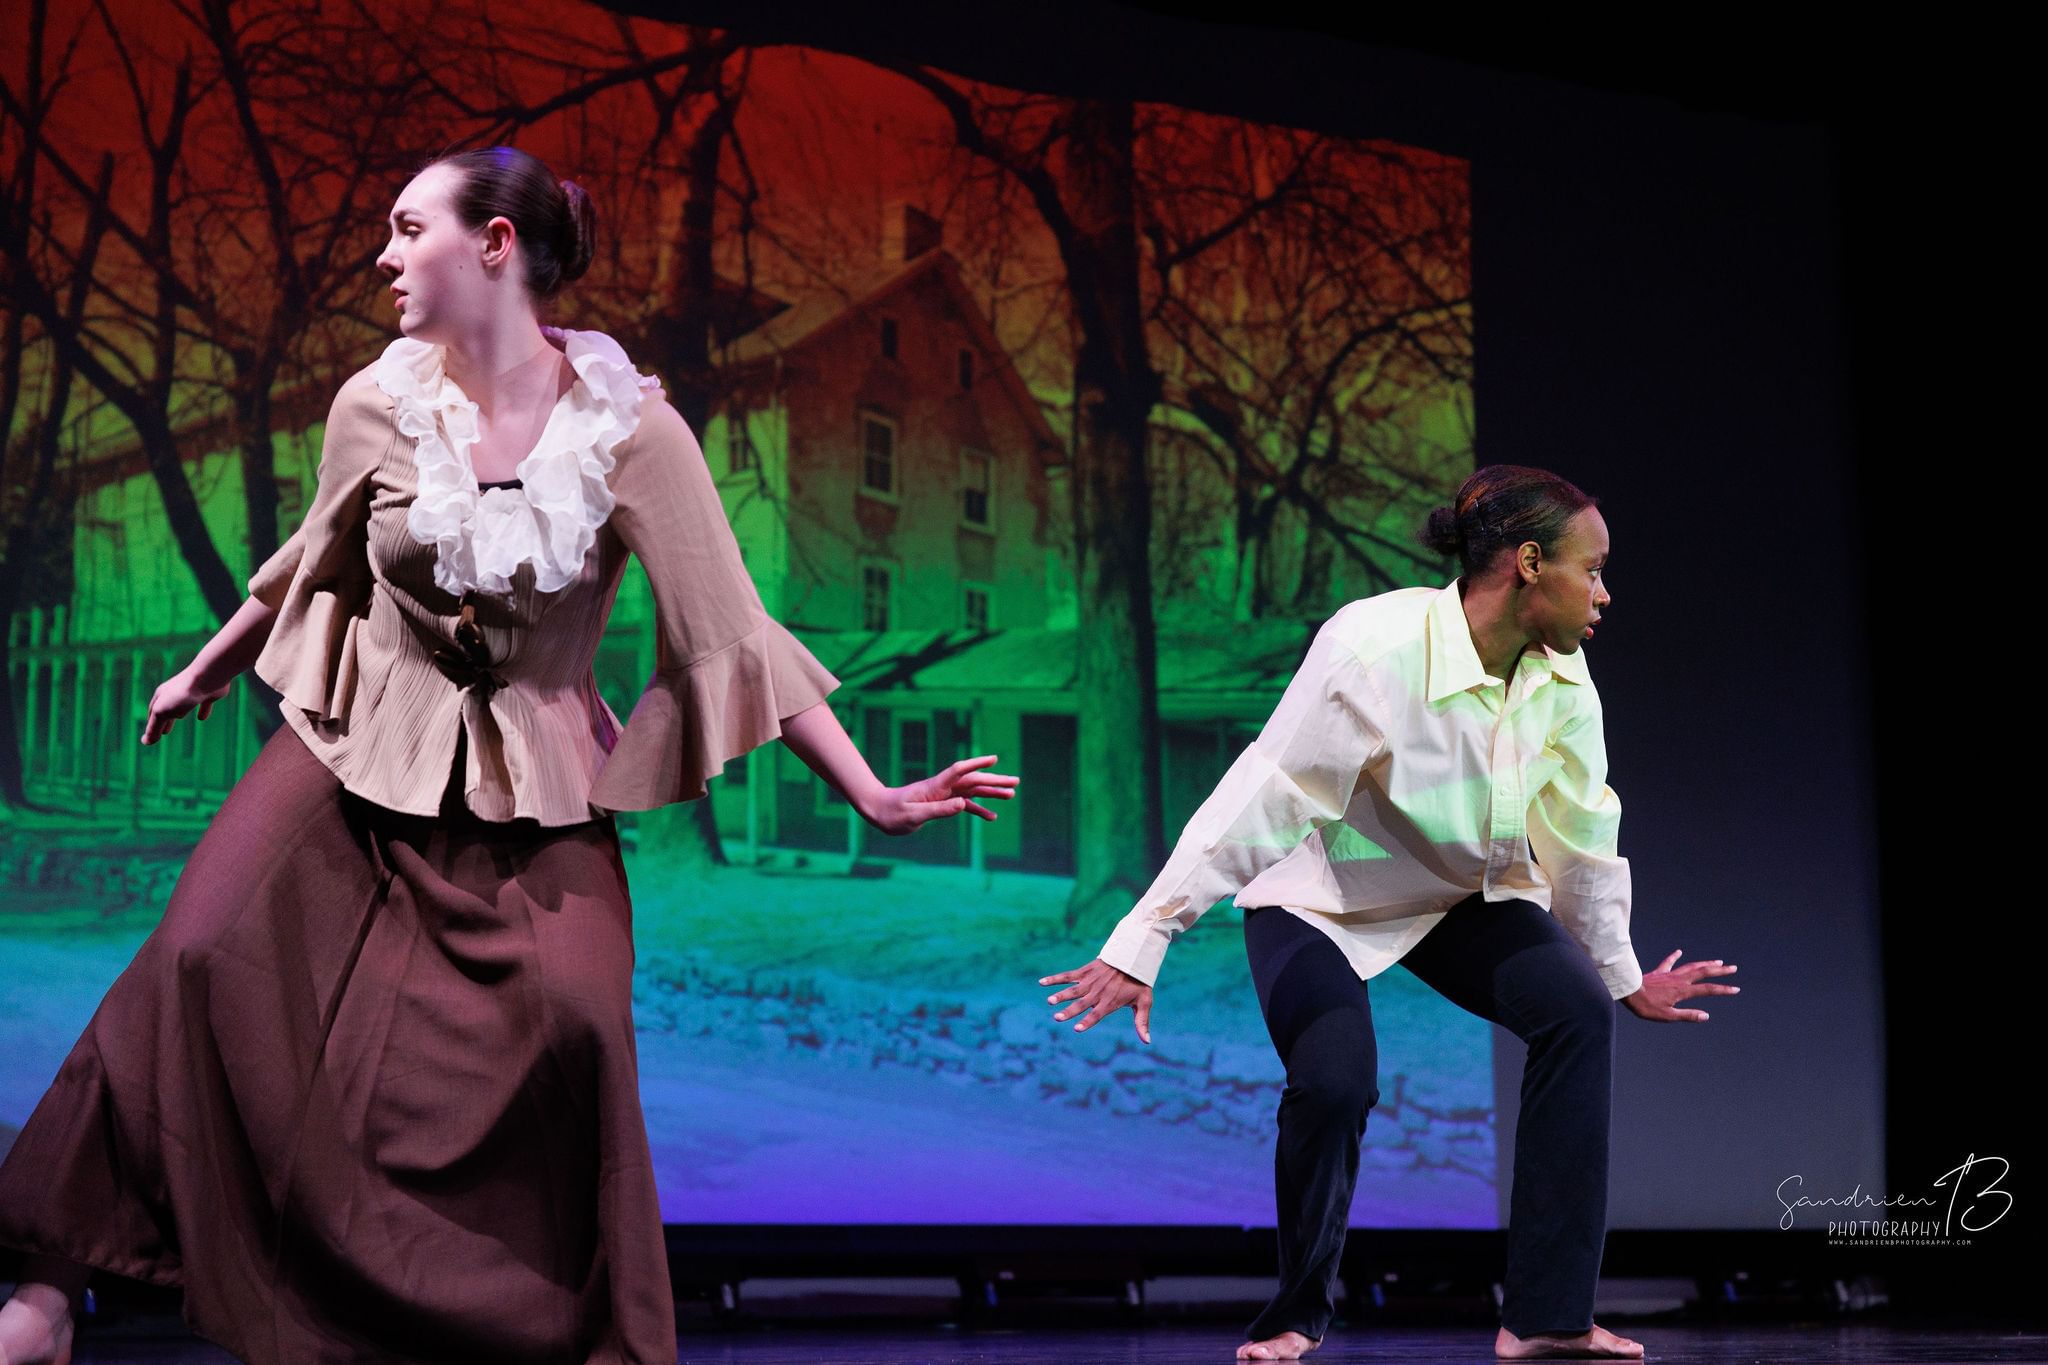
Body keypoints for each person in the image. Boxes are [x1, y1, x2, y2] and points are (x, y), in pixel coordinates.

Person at [0, 146, 1016, 1365]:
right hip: (358, 744)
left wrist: (873, 795)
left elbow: (730, 630)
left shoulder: (632, 431)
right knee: (198, 950)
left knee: (578, 1022)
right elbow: (311, 560)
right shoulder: (376, 404)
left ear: (491, 246)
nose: (382, 256)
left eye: (406, 228)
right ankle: (49, 1295)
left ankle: (561, 1339)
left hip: (535, 778)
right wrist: (206, 669)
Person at [1038, 466, 1738, 1361]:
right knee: (1336, 1082)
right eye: (1592, 570)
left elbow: (1580, 834)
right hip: (1321, 895)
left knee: (1575, 1010)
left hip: (1453, 894)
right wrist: (1148, 935)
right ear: (1529, 564)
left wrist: (1619, 974)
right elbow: (1267, 793)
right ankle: (1295, 1313)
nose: (1604, 593)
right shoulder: (1375, 648)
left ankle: (1545, 1315)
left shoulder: (1564, 677)